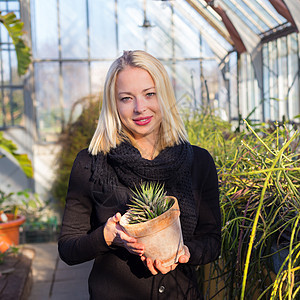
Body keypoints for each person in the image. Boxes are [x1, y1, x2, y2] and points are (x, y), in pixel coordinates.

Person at [58, 50, 221, 299]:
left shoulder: (198, 162)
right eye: (126, 98)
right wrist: (106, 236)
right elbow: (68, 248)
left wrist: (184, 251)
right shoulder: (91, 162)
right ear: (113, 104)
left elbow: (212, 241)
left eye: (149, 94)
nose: (140, 108)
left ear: (164, 96)